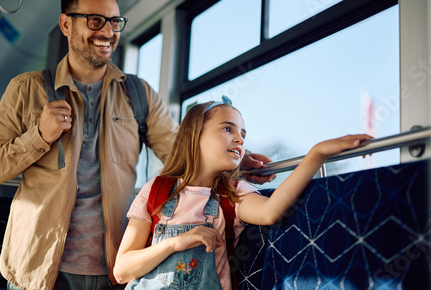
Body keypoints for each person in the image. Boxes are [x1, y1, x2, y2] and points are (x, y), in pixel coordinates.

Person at [0, 0, 273, 290]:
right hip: (36, 270)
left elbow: (183, 155)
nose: (108, 32)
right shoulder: (26, 88)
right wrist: (39, 135)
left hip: (111, 272)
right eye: (95, 20)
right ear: (65, 24)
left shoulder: (139, 94)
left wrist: (235, 160)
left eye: (115, 21)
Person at [113, 99, 372, 289]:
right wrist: (174, 243)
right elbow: (122, 270)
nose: (239, 139)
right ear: (195, 135)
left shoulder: (232, 195)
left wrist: (317, 154)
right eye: (228, 129)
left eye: (243, 134)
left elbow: (272, 211)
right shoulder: (156, 190)